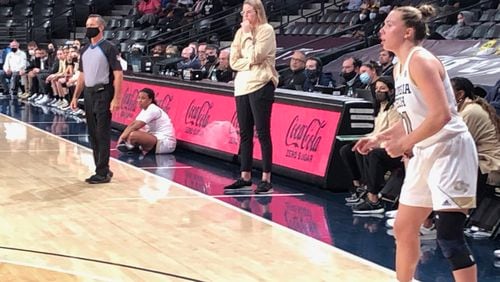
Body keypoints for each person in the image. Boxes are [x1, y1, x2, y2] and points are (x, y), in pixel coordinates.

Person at [353, 5, 478, 282]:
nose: (381, 30)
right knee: (404, 227)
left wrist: (402, 144)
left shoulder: (421, 60)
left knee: (448, 237)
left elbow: (441, 115)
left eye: (388, 24)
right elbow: (413, 117)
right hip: (425, 152)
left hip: (450, 150)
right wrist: (380, 137)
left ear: (408, 32)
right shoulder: (398, 66)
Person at [225, 0, 278, 194]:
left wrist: (248, 34)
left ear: (257, 12)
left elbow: (256, 56)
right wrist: (247, 63)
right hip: (242, 86)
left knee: (262, 132)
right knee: (245, 133)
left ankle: (266, 178)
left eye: (248, 12)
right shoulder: (239, 33)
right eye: (243, 13)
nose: (245, 16)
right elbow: (233, 61)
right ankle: (245, 175)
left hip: (262, 84)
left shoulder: (266, 30)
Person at [70, 14, 123, 184]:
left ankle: (102, 171)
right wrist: (75, 96)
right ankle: (102, 168)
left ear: (100, 28)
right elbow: (82, 76)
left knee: (102, 132)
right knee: (93, 134)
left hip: (103, 92)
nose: (88, 28)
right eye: (86, 25)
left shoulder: (109, 48)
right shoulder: (85, 50)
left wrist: (116, 98)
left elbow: (118, 74)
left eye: (91, 25)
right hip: (88, 93)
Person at [451, 77, 500, 205]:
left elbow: (455, 145)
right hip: (480, 162)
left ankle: (448, 215)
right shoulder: (464, 109)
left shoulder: (470, 112)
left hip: (491, 165)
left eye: (446, 90)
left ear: (460, 94)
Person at [117, 88, 176, 155]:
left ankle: (131, 147)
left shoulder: (153, 109)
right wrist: (122, 137)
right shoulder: (145, 109)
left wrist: (123, 138)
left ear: (150, 100)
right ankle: (133, 147)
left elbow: (137, 125)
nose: (139, 100)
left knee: (133, 135)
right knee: (132, 132)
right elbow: (133, 124)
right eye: (138, 98)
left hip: (165, 142)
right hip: (155, 138)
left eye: (143, 98)